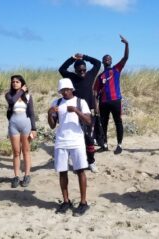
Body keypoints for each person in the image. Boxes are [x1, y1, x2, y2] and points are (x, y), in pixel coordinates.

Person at [48, 78, 92, 216]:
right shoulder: (57, 102)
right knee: (62, 171)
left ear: (72, 89)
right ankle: (66, 201)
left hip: (77, 140)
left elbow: (89, 121)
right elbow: (52, 125)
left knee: (80, 171)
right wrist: (49, 113)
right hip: (61, 140)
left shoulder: (81, 102)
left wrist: (76, 111)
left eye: (67, 89)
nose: (65, 92)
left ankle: (83, 202)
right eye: (62, 90)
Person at [59, 52, 101, 173]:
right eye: (79, 71)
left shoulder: (91, 74)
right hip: (75, 111)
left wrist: (84, 57)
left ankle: (91, 162)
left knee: (89, 138)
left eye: (83, 70)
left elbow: (98, 63)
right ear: (76, 70)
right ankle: (77, 161)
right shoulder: (71, 78)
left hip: (88, 112)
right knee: (76, 138)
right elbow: (61, 69)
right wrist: (72, 58)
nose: (82, 72)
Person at [93, 35, 129, 155]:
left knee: (118, 121)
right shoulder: (100, 76)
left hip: (115, 100)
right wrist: (96, 106)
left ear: (111, 61)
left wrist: (127, 44)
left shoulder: (116, 69)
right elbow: (95, 92)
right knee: (104, 123)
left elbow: (125, 58)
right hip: (103, 103)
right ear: (103, 61)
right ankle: (105, 145)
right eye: (105, 58)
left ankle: (119, 145)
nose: (107, 59)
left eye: (109, 58)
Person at [5, 75, 36, 188]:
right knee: (16, 152)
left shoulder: (28, 96)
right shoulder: (9, 95)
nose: (14, 83)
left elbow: (32, 113)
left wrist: (34, 128)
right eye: (13, 82)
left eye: (17, 82)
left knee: (26, 151)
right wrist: (21, 90)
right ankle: (16, 176)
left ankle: (27, 175)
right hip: (13, 125)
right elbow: (12, 101)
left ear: (22, 83)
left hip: (26, 125)